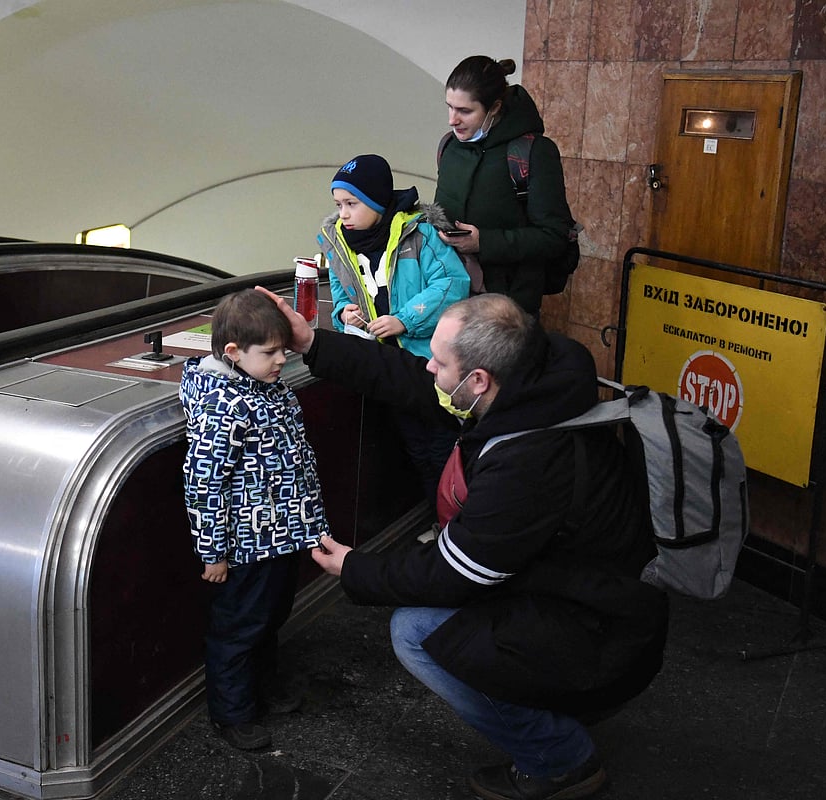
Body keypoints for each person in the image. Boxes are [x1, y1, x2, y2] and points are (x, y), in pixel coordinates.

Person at [258, 286, 669, 800]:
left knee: (415, 631)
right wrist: (311, 341)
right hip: (577, 586)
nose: (428, 368)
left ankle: (561, 759)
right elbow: (408, 380)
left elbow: (460, 572)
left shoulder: (531, 459)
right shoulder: (534, 384)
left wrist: (356, 568)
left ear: (478, 380)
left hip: (600, 630)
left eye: (438, 361)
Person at [179, 289, 330, 751]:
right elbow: (203, 484)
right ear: (232, 352)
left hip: (281, 534)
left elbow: (294, 463)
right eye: (270, 352)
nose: (282, 359)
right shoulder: (224, 408)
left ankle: (263, 689)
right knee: (239, 628)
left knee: (269, 616)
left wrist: (310, 525)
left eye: (284, 350)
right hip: (245, 545)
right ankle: (233, 713)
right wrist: (213, 553)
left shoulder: (268, 388)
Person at [317, 153, 471, 510]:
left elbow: (451, 282)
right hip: (385, 363)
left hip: (428, 362)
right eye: (339, 204)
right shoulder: (338, 242)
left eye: (352, 204)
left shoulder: (420, 235)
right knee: (414, 446)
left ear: (376, 201)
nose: (343, 214)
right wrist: (345, 312)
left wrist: (405, 319)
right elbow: (341, 290)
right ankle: (432, 516)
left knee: (442, 443)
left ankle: (451, 522)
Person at [434, 56, 572, 317]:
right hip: (449, 293)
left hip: (508, 304)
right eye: (449, 107)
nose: (453, 120)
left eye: (465, 111)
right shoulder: (448, 147)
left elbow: (555, 236)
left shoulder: (533, 152)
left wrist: (484, 242)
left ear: (494, 107)